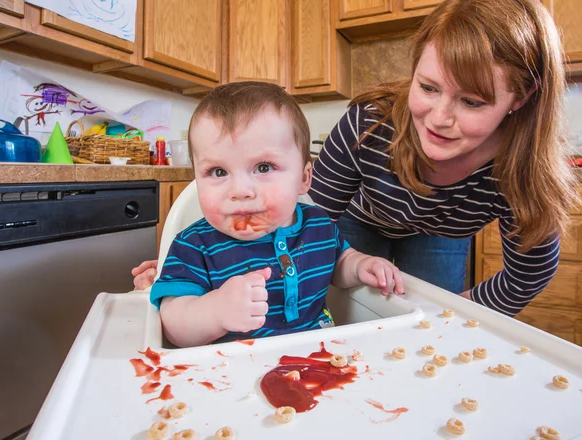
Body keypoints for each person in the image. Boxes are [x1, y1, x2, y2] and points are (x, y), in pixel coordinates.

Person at [135, 0, 578, 317]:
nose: (439, 118)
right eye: (427, 88)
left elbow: (525, 277)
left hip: (439, 234)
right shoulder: (369, 125)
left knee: (417, 317)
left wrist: (459, 317)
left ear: (520, 99)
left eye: (473, 102)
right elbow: (304, 228)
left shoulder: (524, 172)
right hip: (355, 219)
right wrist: (193, 277)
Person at [150, 82, 404, 347]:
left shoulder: (318, 225)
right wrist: (214, 312)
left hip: (321, 360)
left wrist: (361, 265)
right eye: (218, 172)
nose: (240, 191)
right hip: (231, 376)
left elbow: (338, 263)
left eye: (263, 167)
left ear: (304, 178)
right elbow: (172, 326)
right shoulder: (193, 246)